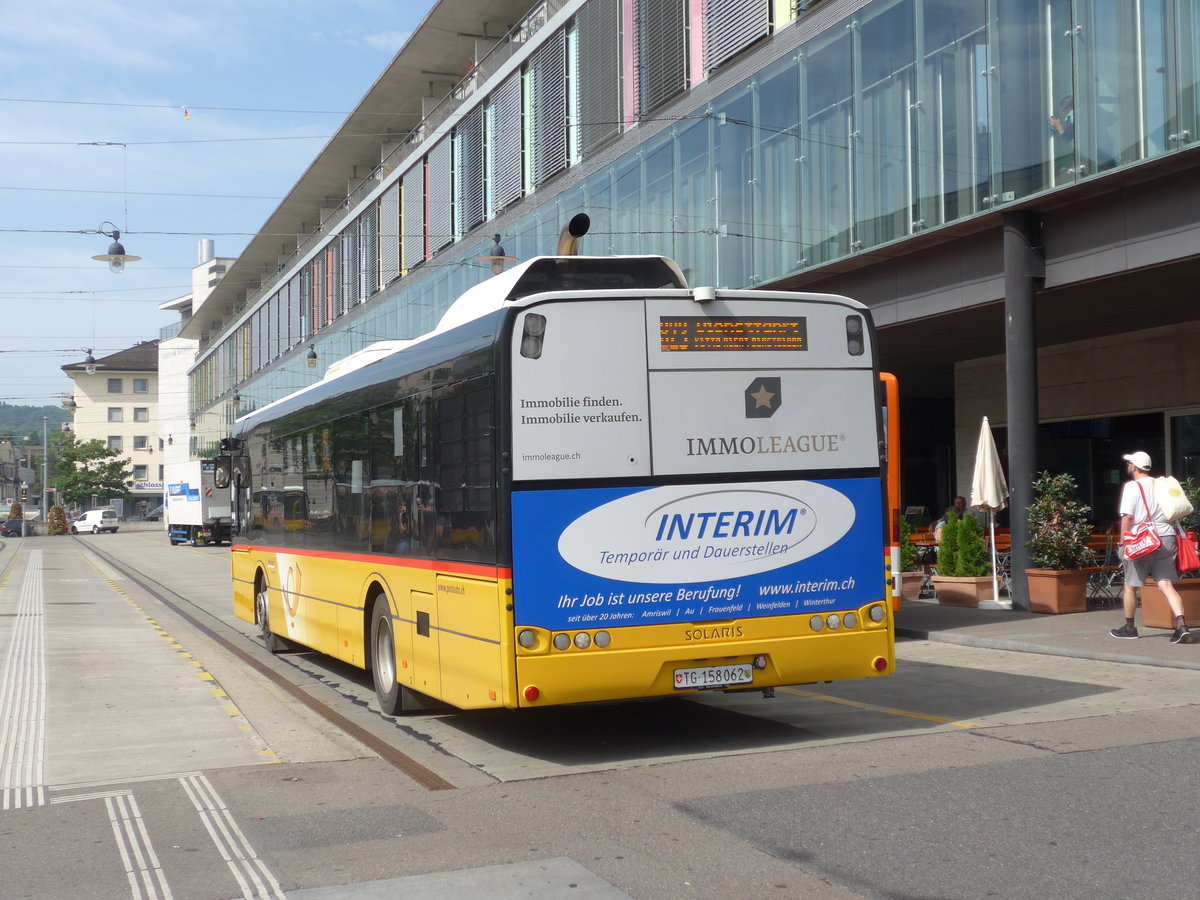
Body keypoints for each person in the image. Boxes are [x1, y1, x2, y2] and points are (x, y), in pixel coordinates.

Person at [1109, 451, 1196, 644]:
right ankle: (1182, 625)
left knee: (1130, 585)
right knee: (1166, 584)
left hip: (1142, 539)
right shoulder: (1160, 484)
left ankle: (1130, 628)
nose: (1128, 466)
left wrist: (1123, 542)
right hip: (1166, 536)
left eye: (1129, 463)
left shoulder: (1132, 487)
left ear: (1133, 466)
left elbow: (1128, 517)